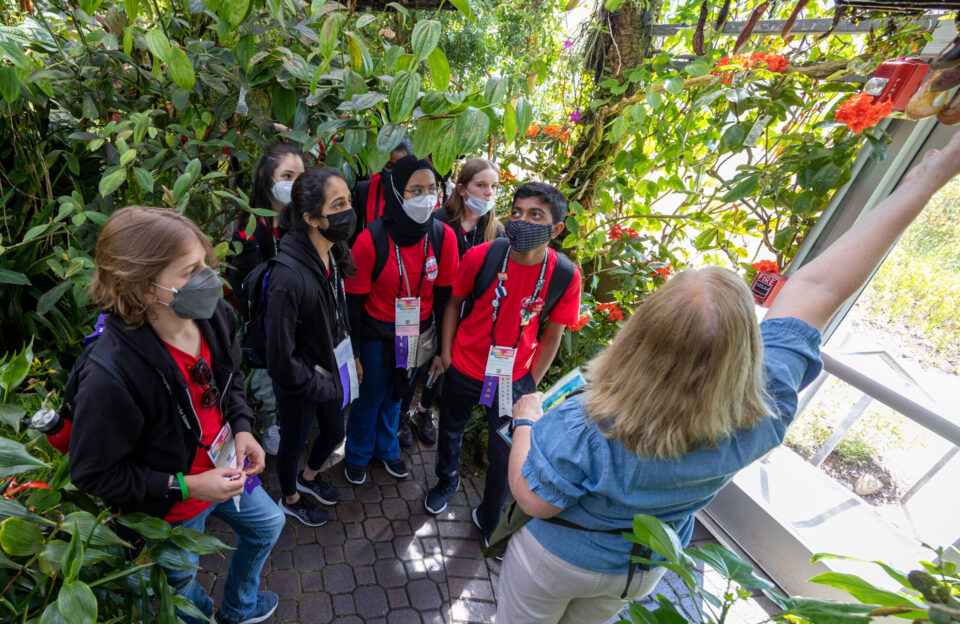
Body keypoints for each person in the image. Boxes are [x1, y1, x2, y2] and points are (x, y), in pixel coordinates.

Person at [496, 130, 960, 624]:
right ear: (746, 347)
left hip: (560, 558)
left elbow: (533, 497)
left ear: (640, 335)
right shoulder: (765, 403)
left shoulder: (589, 421)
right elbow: (820, 287)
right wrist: (928, 179)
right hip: (642, 563)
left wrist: (526, 418)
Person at [69, 207, 283, 624]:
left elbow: (230, 378)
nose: (209, 278)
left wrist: (241, 427)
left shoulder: (213, 317)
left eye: (205, 263)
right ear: (147, 289)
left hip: (225, 467)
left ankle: (239, 607)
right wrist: (187, 485)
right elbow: (94, 474)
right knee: (182, 586)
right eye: (191, 271)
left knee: (269, 526)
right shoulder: (110, 376)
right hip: (170, 507)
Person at [424, 182, 582, 540]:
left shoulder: (565, 276)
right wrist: (447, 354)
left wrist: (531, 382)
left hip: (514, 379)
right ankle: (446, 481)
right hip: (464, 366)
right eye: (517, 212)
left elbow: (553, 335)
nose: (521, 221)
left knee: (505, 451)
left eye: (535, 215)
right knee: (450, 430)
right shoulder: (484, 256)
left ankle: (490, 512)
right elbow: (453, 304)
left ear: (556, 229)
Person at [343, 156, 460, 485]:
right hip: (376, 334)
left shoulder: (442, 237)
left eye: (432, 189)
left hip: (418, 336)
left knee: (397, 396)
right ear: (397, 193)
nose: (427, 197)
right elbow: (353, 302)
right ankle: (358, 454)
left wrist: (441, 349)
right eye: (416, 190)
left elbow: (444, 297)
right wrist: (353, 353)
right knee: (370, 398)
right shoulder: (371, 240)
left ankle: (387, 448)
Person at [265, 167, 361, 526]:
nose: (349, 210)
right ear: (311, 218)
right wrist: (323, 385)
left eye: (348, 200)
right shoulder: (287, 279)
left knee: (335, 433)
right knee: (293, 442)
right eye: (338, 204)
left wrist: (350, 356)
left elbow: (337, 307)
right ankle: (290, 496)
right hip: (301, 381)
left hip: (330, 369)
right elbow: (280, 361)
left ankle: (309, 479)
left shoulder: (332, 250)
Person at [398, 158, 506, 447]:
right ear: (461, 189)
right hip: (431, 311)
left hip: (465, 317)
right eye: (481, 185)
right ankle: (400, 413)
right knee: (417, 365)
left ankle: (423, 413)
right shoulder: (439, 223)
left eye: (493, 187)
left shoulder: (495, 232)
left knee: (444, 367)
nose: (488, 193)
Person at [226, 142, 305, 294]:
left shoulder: (304, 223)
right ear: (265, 175)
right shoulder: (248, 236)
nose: (294, 183)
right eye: (287, 176)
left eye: (300, 177)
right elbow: (241, 292)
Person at [349, 138, 414, 245]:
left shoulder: (416, 196)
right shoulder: (363, 191)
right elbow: (353, 238)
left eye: (401, 166)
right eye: (389, 166)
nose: (395, 172)